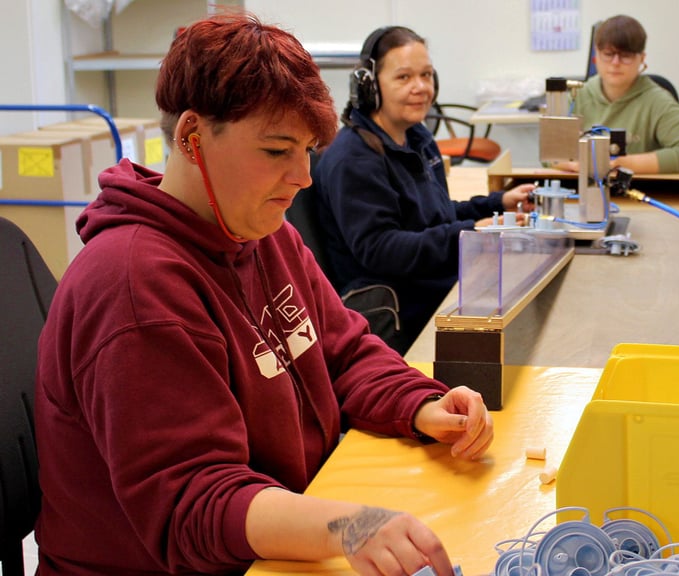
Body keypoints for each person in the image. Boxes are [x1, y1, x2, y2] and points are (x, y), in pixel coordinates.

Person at [33, 13, 493, 576]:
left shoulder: (261, 233)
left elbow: (343, 349)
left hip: (269, 532)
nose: (303, 177)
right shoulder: (134, 287)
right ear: (191, 137)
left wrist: (419, 403)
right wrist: (347, 526)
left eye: (307, 150)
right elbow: (194, 505)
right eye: (277, 151)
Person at [314, 26, 535, 356]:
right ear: (370, 86)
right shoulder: (354, 158)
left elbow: (437, 214)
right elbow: (381, 249)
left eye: (426, 75)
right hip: (404, 309)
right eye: (404, 77)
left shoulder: (415, 137)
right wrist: (469, 234)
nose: (421, 88)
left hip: (434, 286)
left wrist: (497, 203)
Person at [553, 14, 679, 175]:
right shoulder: (577, 97)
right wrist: (573, 164)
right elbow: (549, 154)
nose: (615, 63)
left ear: (642, 58)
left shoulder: (658, 101)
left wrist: (619, 164)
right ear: (596, 55)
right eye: (608, 54)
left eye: (626, 56)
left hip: (640, 192)